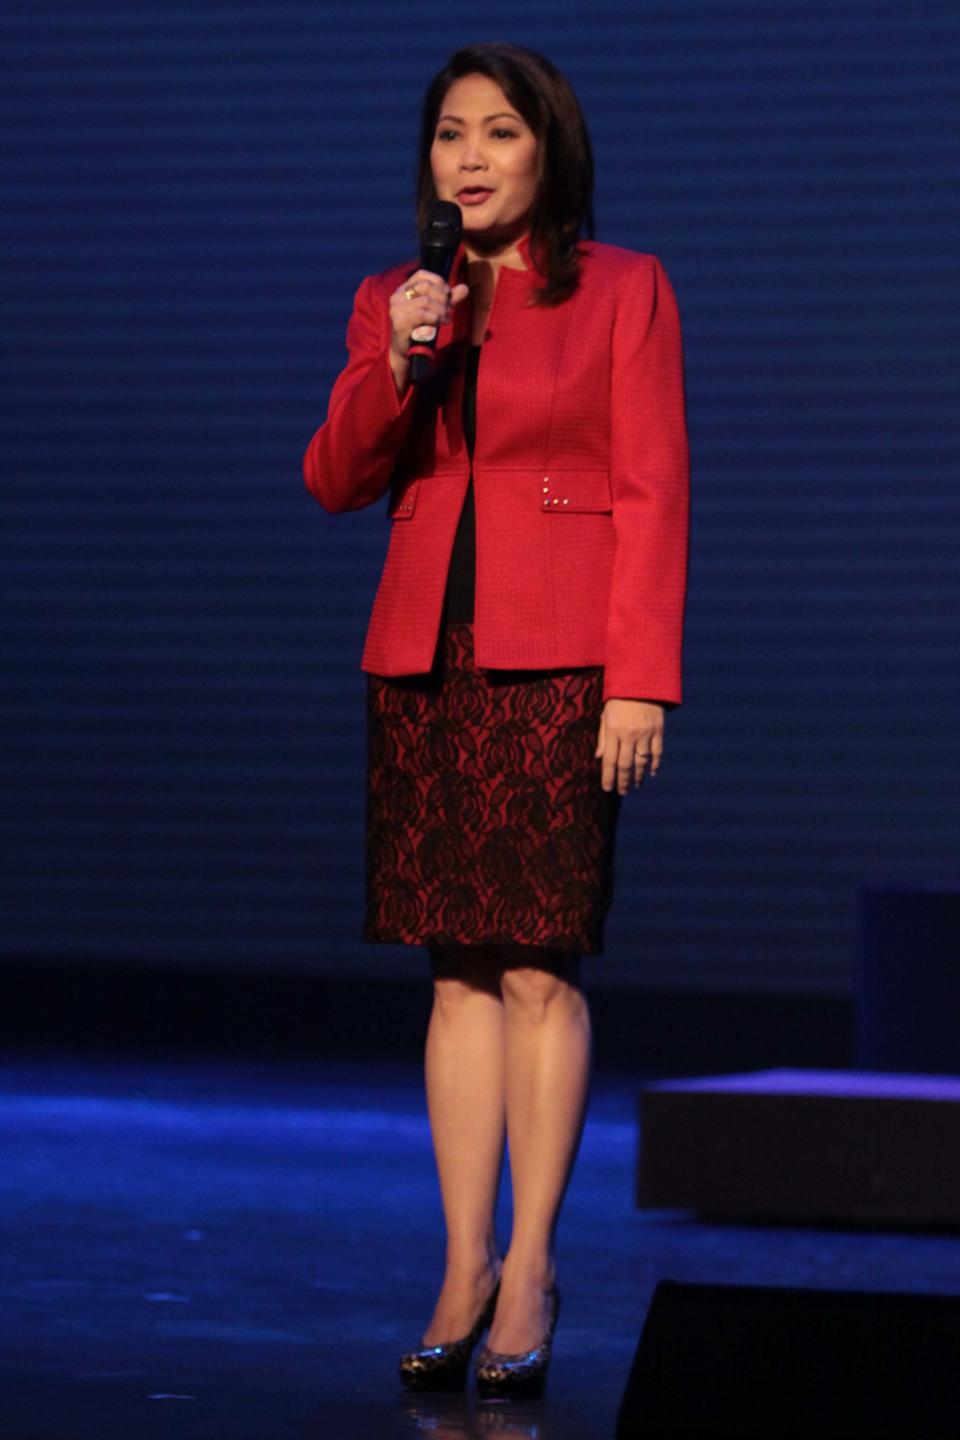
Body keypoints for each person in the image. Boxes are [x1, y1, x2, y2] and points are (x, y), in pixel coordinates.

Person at [302, 41, 689, 1401]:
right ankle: (462, 1262)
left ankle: (532, 1266)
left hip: (562, 661)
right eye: (450, 134)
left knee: (538, 965)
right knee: (453, 968)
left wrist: (640, 675)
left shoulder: (625, 290)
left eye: (499, 134)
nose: (469, 157)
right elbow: (338, 477)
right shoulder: (399, 300)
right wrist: (403, 359)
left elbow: (653, 487)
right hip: (425, 656)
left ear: (549, 152)